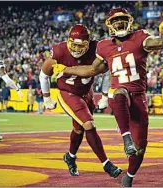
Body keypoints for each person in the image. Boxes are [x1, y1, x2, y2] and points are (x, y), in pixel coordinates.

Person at [51, 8, 163, 187]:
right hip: (118, 95)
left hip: (139, 96)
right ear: (109, 25)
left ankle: (129, 177)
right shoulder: (104, 46)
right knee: (119, 93)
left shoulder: (140, 37)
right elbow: (92, 70)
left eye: (123, 20)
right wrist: (65, 69)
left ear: (129, 21)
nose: (119, 23)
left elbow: (161, 43)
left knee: (140, 149)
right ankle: (126, 138)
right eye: (115, 21)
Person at [39, 24, 122, 178]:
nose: (76, 49)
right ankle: (106, 163)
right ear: (68, 41)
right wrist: (46, 97)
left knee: (79, 129)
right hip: (67, 92)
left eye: (81, 45)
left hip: (87, 92)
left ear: (88, 43)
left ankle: (70, 157)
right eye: (74, 44)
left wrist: (104, 94)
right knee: (88, 124)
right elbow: (44, 74)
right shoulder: (59, 51)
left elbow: (108, 70)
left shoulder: (95, 49)